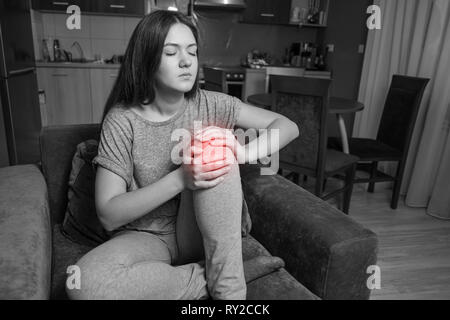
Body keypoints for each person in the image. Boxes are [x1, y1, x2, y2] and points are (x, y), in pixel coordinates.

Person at [66, 10, 299, 300]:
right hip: (147, 238)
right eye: (171, 52)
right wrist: (181, 178)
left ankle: (229, 292)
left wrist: (241, 151)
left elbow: (288, 126)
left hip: (201, 232)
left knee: (212, 144)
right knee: (82, 284)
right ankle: (221, 274)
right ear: (147, 60)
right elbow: (109, 214)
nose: (187, 61)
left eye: (192, 51)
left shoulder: (212, 104)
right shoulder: (122, 120)